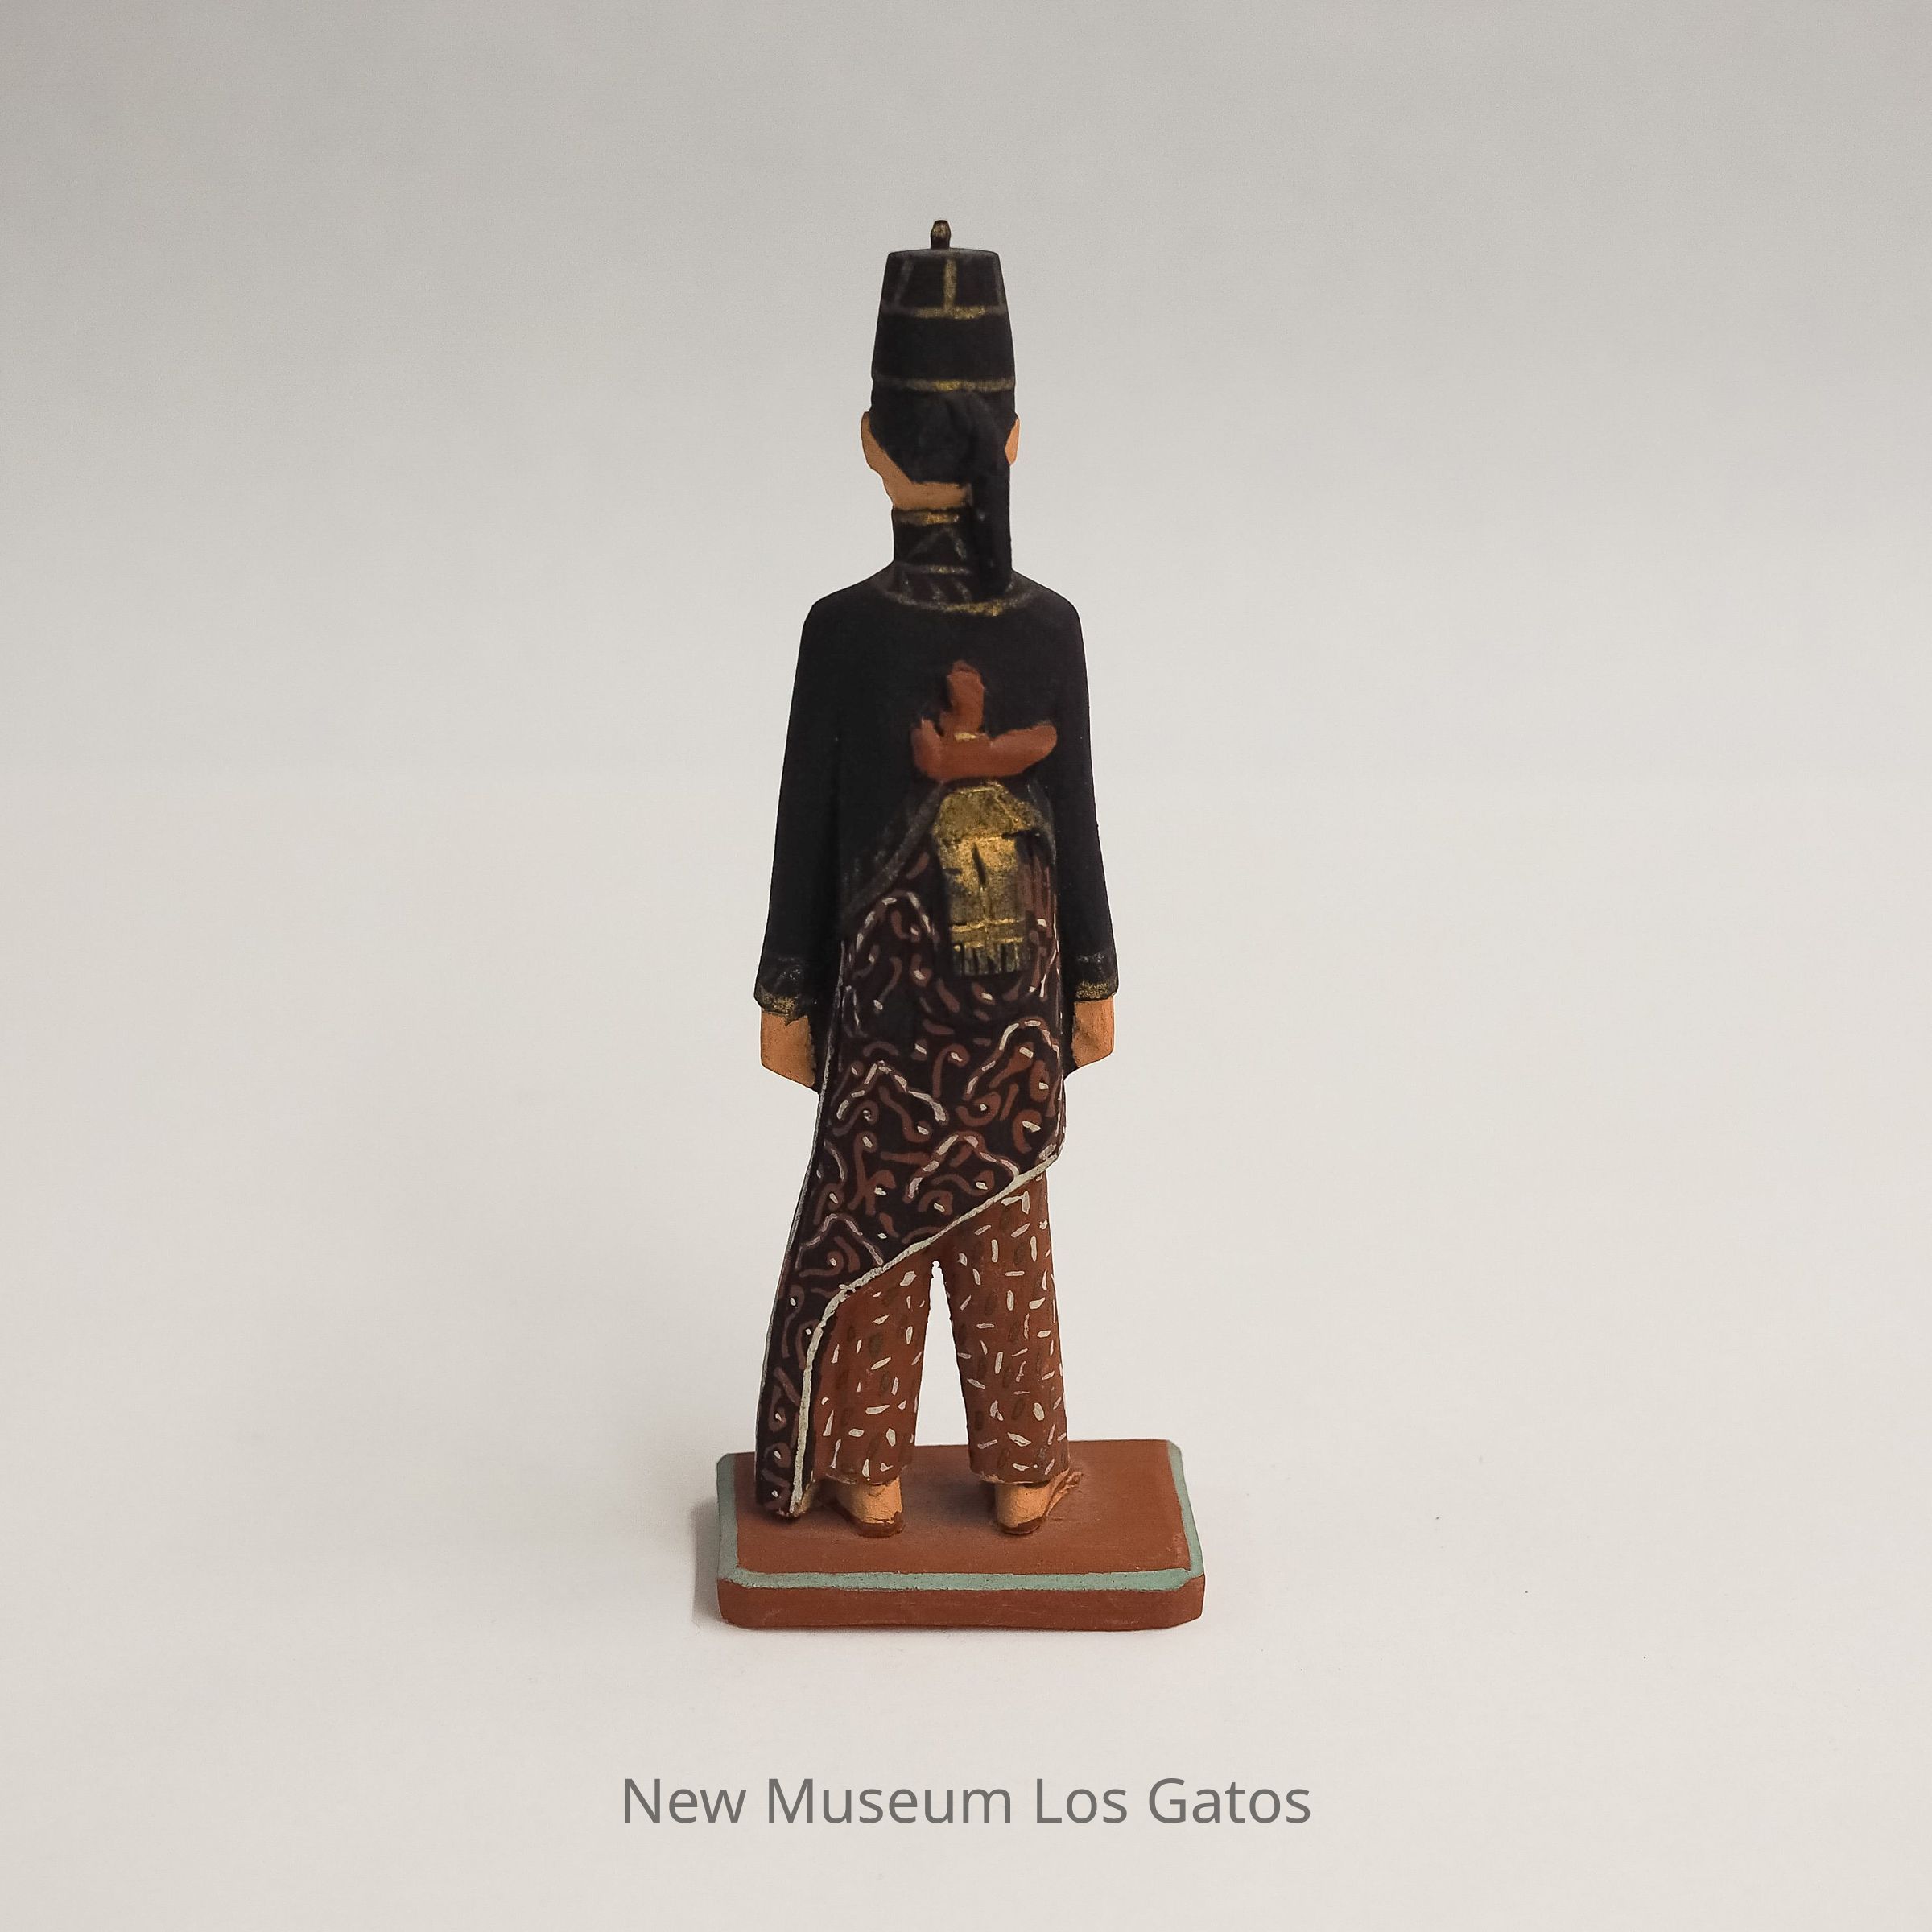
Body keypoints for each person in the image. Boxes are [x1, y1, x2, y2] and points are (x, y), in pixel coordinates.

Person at [751, 222, 1117, 1537]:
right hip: (1008, 996)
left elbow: (805, 833)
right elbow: (1077, 826)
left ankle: (868, 1472)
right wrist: (1093, 982)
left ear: (870, 444)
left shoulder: (843, 634)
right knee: (1003, 1217)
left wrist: (785, 995)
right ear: (1014, 443)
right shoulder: (1045, 630)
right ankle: (1021, 1471)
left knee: (879, 1216)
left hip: (889, 993)